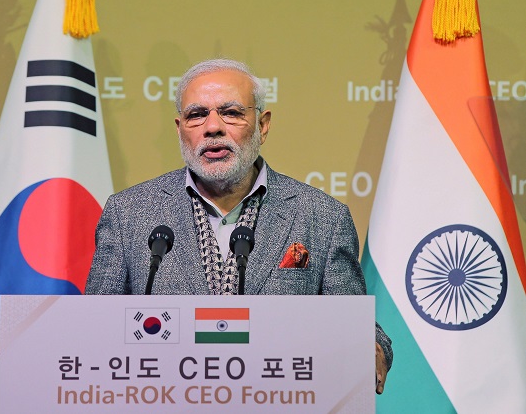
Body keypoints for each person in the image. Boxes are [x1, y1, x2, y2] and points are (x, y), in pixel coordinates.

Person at [85, 58, 392, 393]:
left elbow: (354, 325)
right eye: (196, 114)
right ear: (179, 128)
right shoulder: (129, 213)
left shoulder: (322, 218)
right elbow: (95, 327)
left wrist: (372, 346)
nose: (213, 127)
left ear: (262, 124)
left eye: (230, 113)